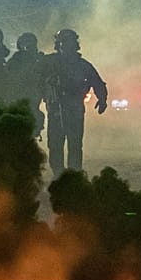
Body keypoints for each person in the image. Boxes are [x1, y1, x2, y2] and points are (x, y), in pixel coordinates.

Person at [44, 28, 108, 175]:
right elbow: (34, 79)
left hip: (75, 109)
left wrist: (102, 99)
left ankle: (74, 175)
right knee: (55, 144)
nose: (67, 46)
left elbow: (97, 82)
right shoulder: (48, 63)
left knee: (75, 144)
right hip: (55, 109)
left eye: (70, 43)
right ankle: (58, 174)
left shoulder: (83, 65)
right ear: (58, 44)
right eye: (64, 42)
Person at [4, 32, 47, 139]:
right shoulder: (16, 60)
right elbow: (10, 77)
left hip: (34, 95)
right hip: (19, 96)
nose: (31, 47)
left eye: (32, 44)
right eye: (28, 44)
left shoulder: (38, 59)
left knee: (35, 119)